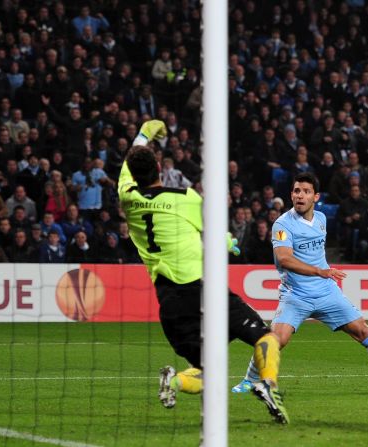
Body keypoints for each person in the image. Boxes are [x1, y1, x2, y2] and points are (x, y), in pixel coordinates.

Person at [120, 120, 288, 423]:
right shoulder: (186, 198)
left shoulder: (127, 198)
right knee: (268, 337)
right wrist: (228, 242)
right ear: (159, 167)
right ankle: (269, 385)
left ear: (132, 175)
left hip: (170, 303)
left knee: (208, 374)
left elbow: (131, 161)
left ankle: (173, 382)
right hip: (204, 291)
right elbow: (212, 233)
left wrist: (144, 132)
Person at [233, 173, 368, 394]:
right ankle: (249, 379)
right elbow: (284, 258)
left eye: (306, 191)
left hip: (326, 292)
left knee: (362, 330)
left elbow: (315, 254)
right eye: (296, 191)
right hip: (296, 295)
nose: (300, 196)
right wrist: (319, 271)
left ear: (316, 197)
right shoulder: (282, 224)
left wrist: (321, 274)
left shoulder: (321, 219)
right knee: (276, 340)